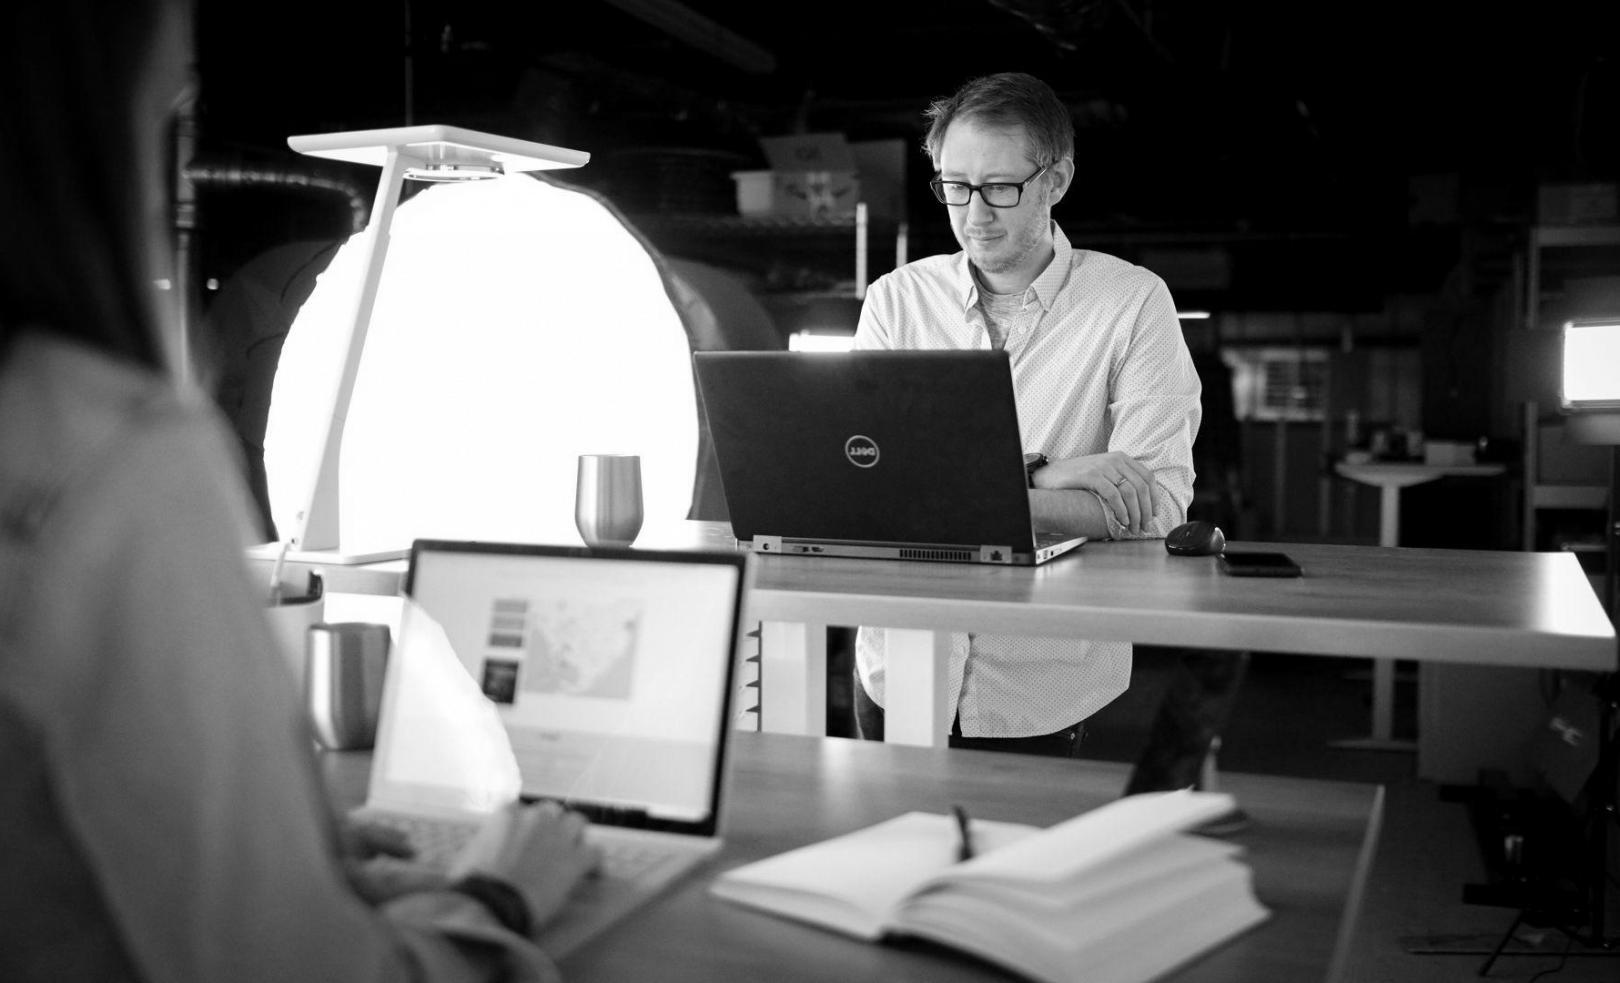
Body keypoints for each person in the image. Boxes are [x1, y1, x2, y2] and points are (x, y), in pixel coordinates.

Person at [0, 2, 596, 981]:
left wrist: (279, 851)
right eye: (175, 80)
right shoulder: (109, 460)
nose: (187, 95)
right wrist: (496, 891)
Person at [851, 72, 1202, 754]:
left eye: (1001, 188)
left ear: (1057, 179)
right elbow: (869, 489)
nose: (975, 213)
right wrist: (1043, 479)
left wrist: (949, 494)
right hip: (895, 672)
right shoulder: (896, 300)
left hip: (1040, 686)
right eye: (955, 185)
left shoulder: (1131, 302)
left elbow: (1157, 507)